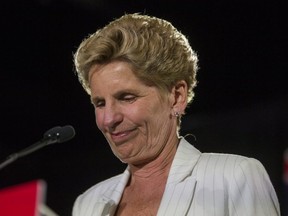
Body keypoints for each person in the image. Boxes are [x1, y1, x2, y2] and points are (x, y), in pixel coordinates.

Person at [72, 13, 280, 216]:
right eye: (100, 103)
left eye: (127, 98)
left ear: (177, 97)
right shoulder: (88, 204)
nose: (109, 119)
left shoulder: (235, 178)